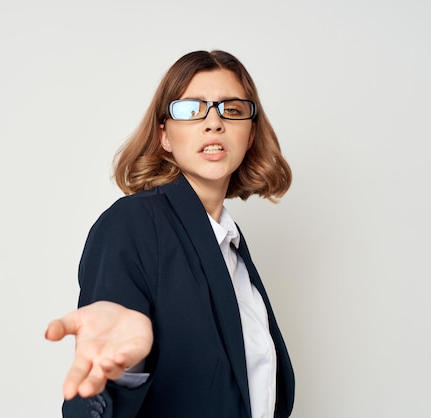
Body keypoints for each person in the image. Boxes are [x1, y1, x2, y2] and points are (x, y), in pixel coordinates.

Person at [45, 50, 295, 418]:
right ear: (164, 134)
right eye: (191, 109)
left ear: (250, 133)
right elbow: (90, 405)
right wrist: (128, 369)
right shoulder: (133, 224)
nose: (214, 123)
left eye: (233, 109)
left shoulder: (231, 245)